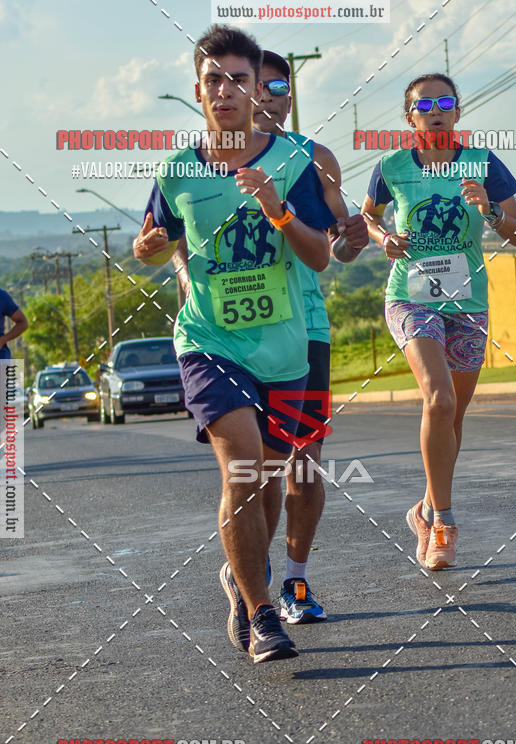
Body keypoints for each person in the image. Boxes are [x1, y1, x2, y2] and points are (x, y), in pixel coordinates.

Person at [133, 25, 336, 664]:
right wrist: (148, 248)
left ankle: (241, 577)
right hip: (208, 339)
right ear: (198, 90)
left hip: (283, 346)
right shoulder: (175, 170)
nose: (225, 91)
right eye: (213, 80)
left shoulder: (293, 161)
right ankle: (261, 611)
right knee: (241, 465)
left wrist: (278, 208)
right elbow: (159, 239)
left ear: (257, 90)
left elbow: (320, 256)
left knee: (268, 479)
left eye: (239, 80)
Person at [172, 49, 368, 627]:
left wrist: (353, 240)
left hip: (303, 328)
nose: (268, 95)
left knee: (300, 465)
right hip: (229, 334)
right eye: (258, 83)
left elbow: (336, 247)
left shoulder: (312, 158)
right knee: (252, 467)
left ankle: (294, 578)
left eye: (280, 84)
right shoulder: (202, 166)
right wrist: (193, 287)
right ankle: (252, 583)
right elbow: (179, 240)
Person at [361, 73, 516, 570]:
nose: (434, 110)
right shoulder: (391, 166)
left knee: (452, 420)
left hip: (468, 301)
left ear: (457, 112)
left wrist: (492, 210)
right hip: (411, 298)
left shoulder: (483, 162)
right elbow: (368, 218)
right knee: (439, 397)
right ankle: (444, 524)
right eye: (423, 104)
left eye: (444, 102)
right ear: (409, 116)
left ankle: (424, 508)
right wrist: (382, 238)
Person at [0, 288, 28, 360]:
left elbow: (23, 323)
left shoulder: (2, 296)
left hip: (2, 357)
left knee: (15, 369)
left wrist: (3, 340)